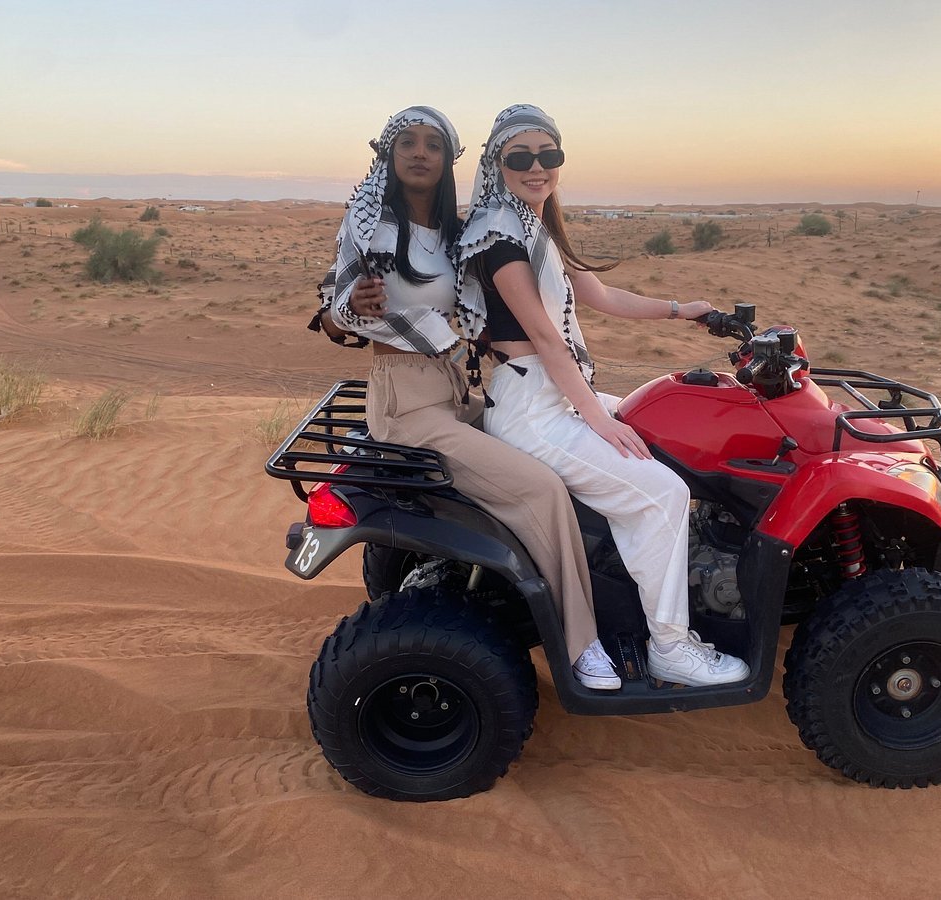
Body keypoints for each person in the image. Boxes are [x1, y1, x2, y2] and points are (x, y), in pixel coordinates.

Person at [309, 105, 620, 690]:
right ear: (389, 154)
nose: (420, 152)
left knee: (561, 447)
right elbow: (333, 308)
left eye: (433, 143)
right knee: (541, 488)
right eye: (408, 142)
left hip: (458, 391)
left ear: (449, 158)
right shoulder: (369, 224)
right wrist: (354, 310)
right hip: (408, 405)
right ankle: (581, 647)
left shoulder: (456, 229)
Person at [454, 104, 748, 687]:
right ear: (497, 162)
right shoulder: (498, 236)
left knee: (660, 426)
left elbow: (601, 293)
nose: (538, 168)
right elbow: (542, 334)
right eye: (521, 157)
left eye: (549, 155)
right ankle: (671, 647)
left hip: (553, 396)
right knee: (663, 492)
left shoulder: (529, 226)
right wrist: (597, 416)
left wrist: (680, 310)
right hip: (534, 410)